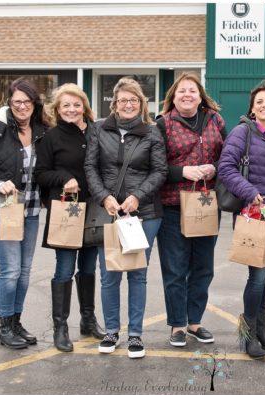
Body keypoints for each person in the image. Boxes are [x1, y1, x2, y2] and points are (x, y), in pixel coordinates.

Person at [84, 77, 167, 358]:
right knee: (109, 276)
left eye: (134, 100)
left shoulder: (152, 132)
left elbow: (159, 171)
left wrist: (138, 196)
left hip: (143, 213)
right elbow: (90, 167)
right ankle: (111, 331)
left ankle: (135, 335)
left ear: (141, 103)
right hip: (108, 212)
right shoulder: (98, 130)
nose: (128, 104)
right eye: (123, 100)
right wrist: (104, 197)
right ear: (114, 104)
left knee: (137, 275)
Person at [0, 77, 48, 349]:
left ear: (34, 103)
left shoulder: (41, 129)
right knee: (10, 269)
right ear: (9, 103)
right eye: (16, 102)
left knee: (24, 271)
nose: (22, 107)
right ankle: (4, 327)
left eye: (26, 102)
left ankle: (15, 322)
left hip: (31, 208)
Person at [217, 81, 265, 358]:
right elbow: (225, 167)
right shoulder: (241, 133)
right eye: (259, 101)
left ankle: (261, 331)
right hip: (253, 215)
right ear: (252, 107)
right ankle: (248, 336)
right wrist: (250, 192)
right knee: (257, 276)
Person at [155, 72, 226, 348]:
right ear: (173, 96)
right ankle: (177, 325)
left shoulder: (216, 120)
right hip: (174, 205)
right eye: (182, 91)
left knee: (203, 267)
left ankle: (195, 322)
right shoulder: (163, 125)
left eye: (192, 91)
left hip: (207, 204)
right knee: (175, 269)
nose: (187, 95)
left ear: (200, 96)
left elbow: (228, 158)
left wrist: (215, 168)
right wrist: (183, 170)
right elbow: (156, 167)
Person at [35, 83, 104, 352]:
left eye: (76, 105)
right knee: (64, 269)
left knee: (89, 268)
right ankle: (60, 327)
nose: (71, 109)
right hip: (66, 210)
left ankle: (88, 320)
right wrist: (65, 178)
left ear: (84, 106)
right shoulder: (51, 138)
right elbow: (41, 173)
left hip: (94, 209)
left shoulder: (97, 132)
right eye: (66, 105)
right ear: (57, 109)